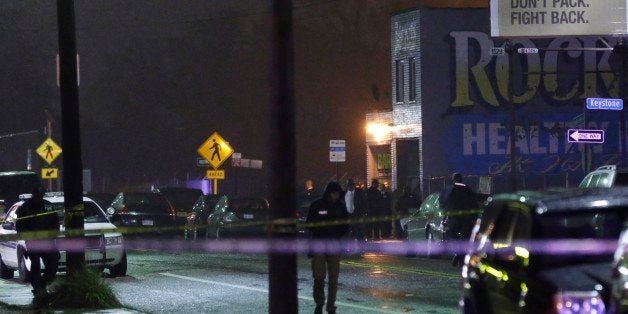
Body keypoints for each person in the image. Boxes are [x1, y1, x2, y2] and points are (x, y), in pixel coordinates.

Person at [306, 181, 349, 314]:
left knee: (333, 277)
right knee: (319, 276)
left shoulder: (340, 207)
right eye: (334, 193)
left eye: (338, 193)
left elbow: (345, 225)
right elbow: (309, 224)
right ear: (329, 193)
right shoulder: (317, 205)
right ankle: (319, 303)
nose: (336, 196)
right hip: (319, 244)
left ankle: (331, 305)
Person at [15, 186, 59, 297]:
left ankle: (43, 283)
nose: (39, 198)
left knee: (53, 263)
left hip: (48, 241)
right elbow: (19, 226)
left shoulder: (48, 206)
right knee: (35, 265)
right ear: (33, 195)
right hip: (33, 242)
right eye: (37, 195)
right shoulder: (24, 208)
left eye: (41, 195)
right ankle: (37, 288)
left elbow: (55, 223)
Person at [439, 173, 478, 266]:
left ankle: (458, 253)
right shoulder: (467, 189)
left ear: (453, 179)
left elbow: (442, 203)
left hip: (454, 218)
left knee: (452, 236)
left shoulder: (448, 190)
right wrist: (474, 217)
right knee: (466, 238)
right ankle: (461, 254)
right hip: (466, 218)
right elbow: (474, 204)